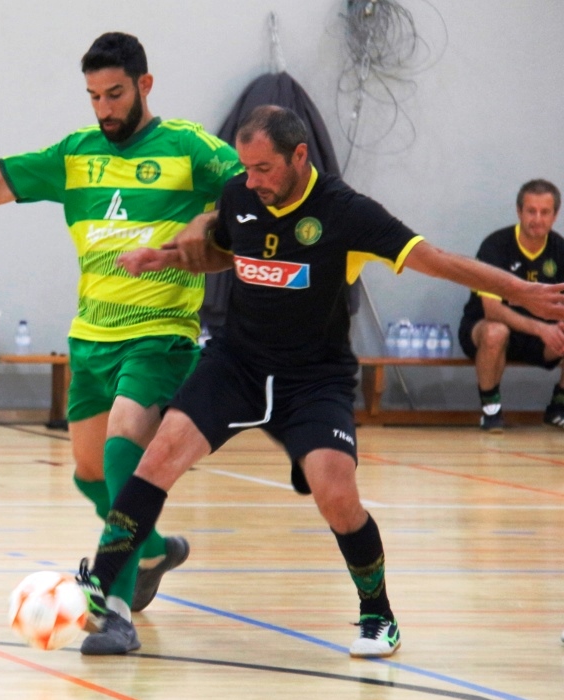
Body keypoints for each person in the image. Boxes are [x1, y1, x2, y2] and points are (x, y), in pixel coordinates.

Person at [72, 105, 564, 658]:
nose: (249, 180)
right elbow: (224, 255)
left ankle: (378, 614)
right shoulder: (241, 196)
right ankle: (105, 588)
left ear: (299, 155)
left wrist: (519, 292)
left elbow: (437, 259)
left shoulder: (347, 212)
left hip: (313, 377)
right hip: (238, 362)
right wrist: (165, 258)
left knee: (335, 494)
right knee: (157, 456)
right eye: (245, 167)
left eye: (262, 168)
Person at [0, 32, 244, 655]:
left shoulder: (187, 148)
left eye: (116, 93)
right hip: (90, 339)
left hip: (160, 334)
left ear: (145, 86)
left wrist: (201, 227)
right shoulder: (76, 154)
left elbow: (246, 196)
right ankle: (151, 550)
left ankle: (114, 606)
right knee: (89, 474)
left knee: (127, 448)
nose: (104, 108)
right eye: (95, 96)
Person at [457, 179, 564, 432]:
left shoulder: (560, 249)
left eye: (544, 212)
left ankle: (559, 406)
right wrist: (542, 329)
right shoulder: (495, 246)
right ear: (519, 212)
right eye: (531, 211)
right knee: (496, 331)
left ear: (555, 215)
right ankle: (490, 410)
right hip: (485, 328)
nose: (537, 219)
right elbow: (492, 310)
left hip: (539, 337)